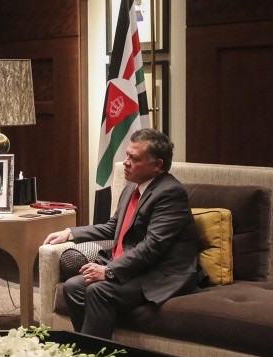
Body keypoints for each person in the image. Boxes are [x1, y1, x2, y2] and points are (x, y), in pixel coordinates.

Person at [43, 128, 200, 339]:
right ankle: (88, 351)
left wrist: (108, 271)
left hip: (160, 272)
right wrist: (70, 233)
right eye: (127, 155)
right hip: (134, 267)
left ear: (157, 165)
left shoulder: (170, 193)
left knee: (99, 290)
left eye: (133, 158)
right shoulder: (132, 188)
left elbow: (152, 246)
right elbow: (113, 227)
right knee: (72, 287)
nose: (126, 162)